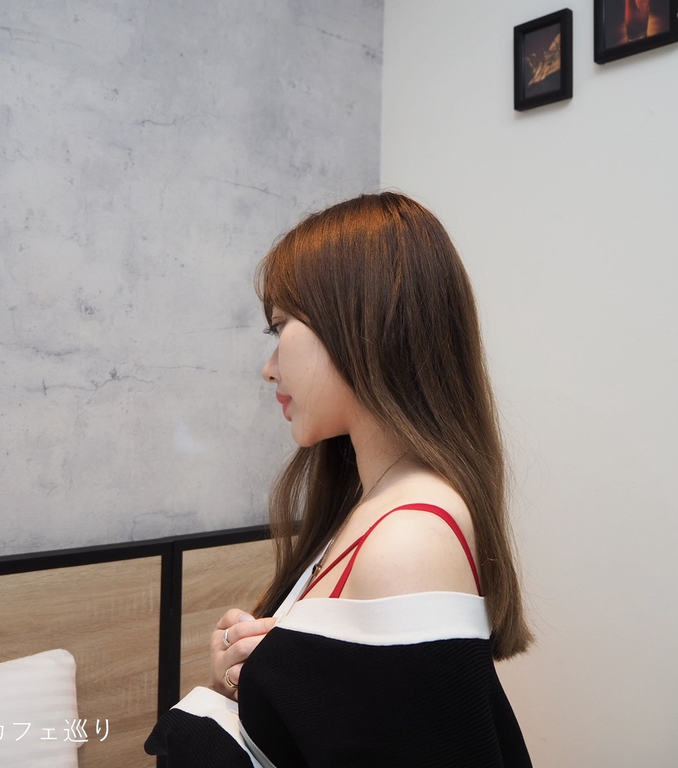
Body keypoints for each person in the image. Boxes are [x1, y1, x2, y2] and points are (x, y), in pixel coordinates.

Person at [145, 192, 533, 766]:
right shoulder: (374, 507)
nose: (269, 369)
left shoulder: (409, 539)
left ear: (363, 320)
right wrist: (245, 679)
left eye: (280, 327)